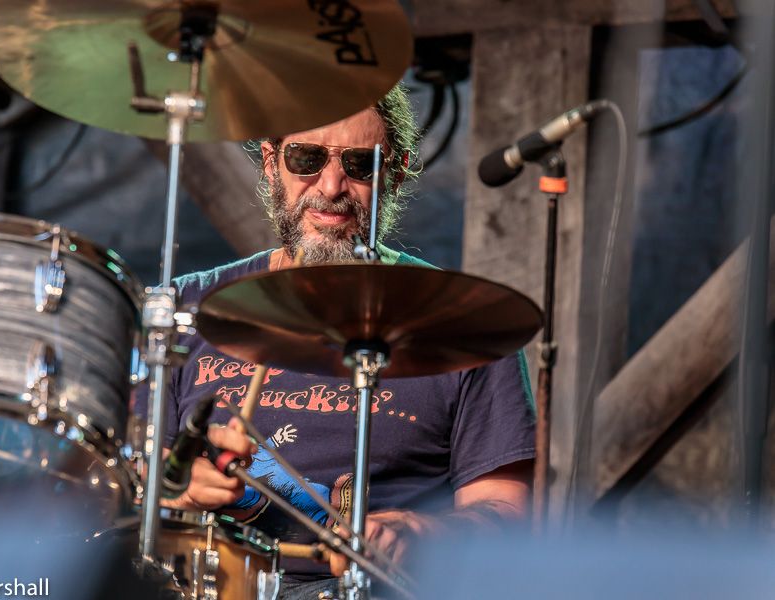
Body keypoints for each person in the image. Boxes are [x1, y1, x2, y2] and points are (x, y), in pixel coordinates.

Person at [159, 85, 535, 598]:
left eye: (360, 164)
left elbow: (507, 511)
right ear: (270, 162)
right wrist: (176, 486)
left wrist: (419, 531)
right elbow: (111, 477)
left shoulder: (464, 321)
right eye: (306, 158)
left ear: (395, 174)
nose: (332, 185)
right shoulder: (185, 306)